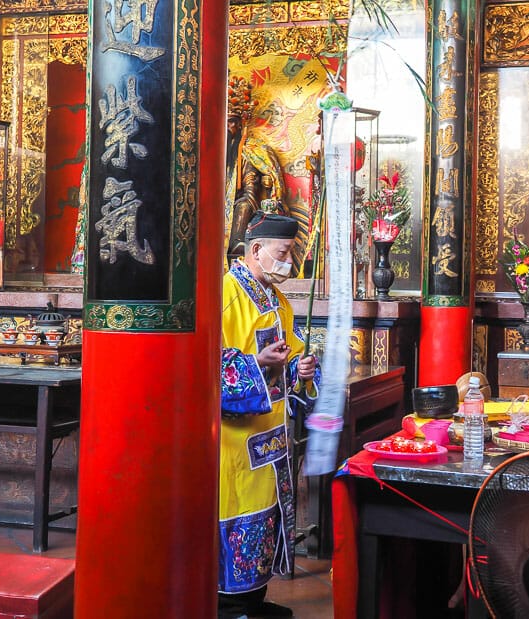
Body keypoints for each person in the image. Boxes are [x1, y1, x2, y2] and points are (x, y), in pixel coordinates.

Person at [219, 211, 321, 619]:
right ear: (255, 250)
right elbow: (210, 364)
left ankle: (253, 601)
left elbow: (289, 360)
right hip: (237, 445)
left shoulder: (276, 300)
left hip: (271, 441)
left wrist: (301, 370)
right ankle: (228, 605)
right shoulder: (225, 295)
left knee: (267, 521)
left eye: (292, 253)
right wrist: (257, 363)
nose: (289, 262)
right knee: (238, 520)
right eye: (284, 252)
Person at [225, 77, 286, 263]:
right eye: (225, 122)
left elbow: (250, 187)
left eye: (232, 122)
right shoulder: (211, 150)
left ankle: (237, 243)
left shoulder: (249, 150)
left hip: (239, 200)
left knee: (243, 205)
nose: (228, 127)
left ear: (241, 123)